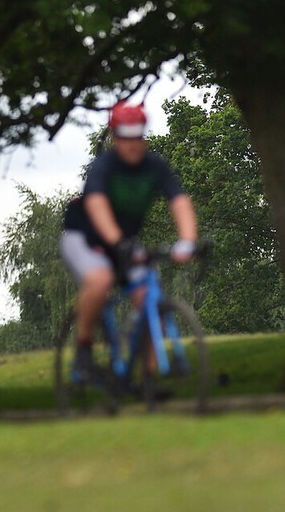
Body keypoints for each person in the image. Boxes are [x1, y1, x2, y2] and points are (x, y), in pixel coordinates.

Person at [61, 101, 198, 384]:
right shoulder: (104, 165)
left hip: (123, 242)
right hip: (83, 237)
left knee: (150, 297)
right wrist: (115, 241)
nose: (132, 144)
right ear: (115, 137)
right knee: (99, 281)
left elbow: (179, 200)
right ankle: (84, 351)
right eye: (125, 136)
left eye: (138, 136)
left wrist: (187, 240)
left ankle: (148, 382)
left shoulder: (154, 165)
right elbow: (97, 204)